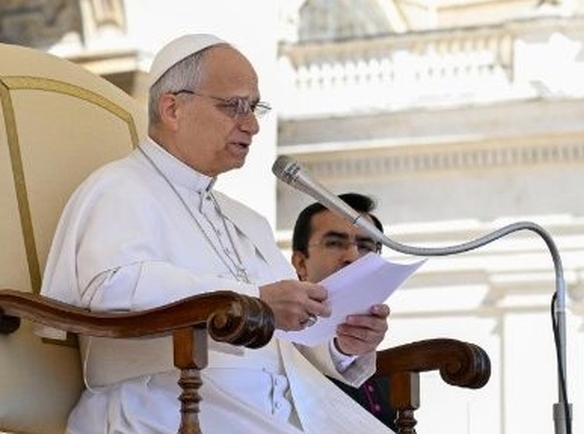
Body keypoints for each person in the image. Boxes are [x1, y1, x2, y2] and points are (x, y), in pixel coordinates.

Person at [40, 33, 394, 434]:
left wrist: (342, 342)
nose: (253, 125)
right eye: (234, 107)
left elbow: (293, 331)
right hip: (169, 400)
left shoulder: (246, 220)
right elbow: (111, 289)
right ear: (172, 108)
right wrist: (253, 300)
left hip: (273, 404)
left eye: (255, 107)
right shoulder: (118, 188)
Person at [291, 193, 397, 430]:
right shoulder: (279, 338)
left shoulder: (395, 370)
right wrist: (344, 348)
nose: (353, 256)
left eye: (367, 246)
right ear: (300, 264)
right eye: (335, 243)